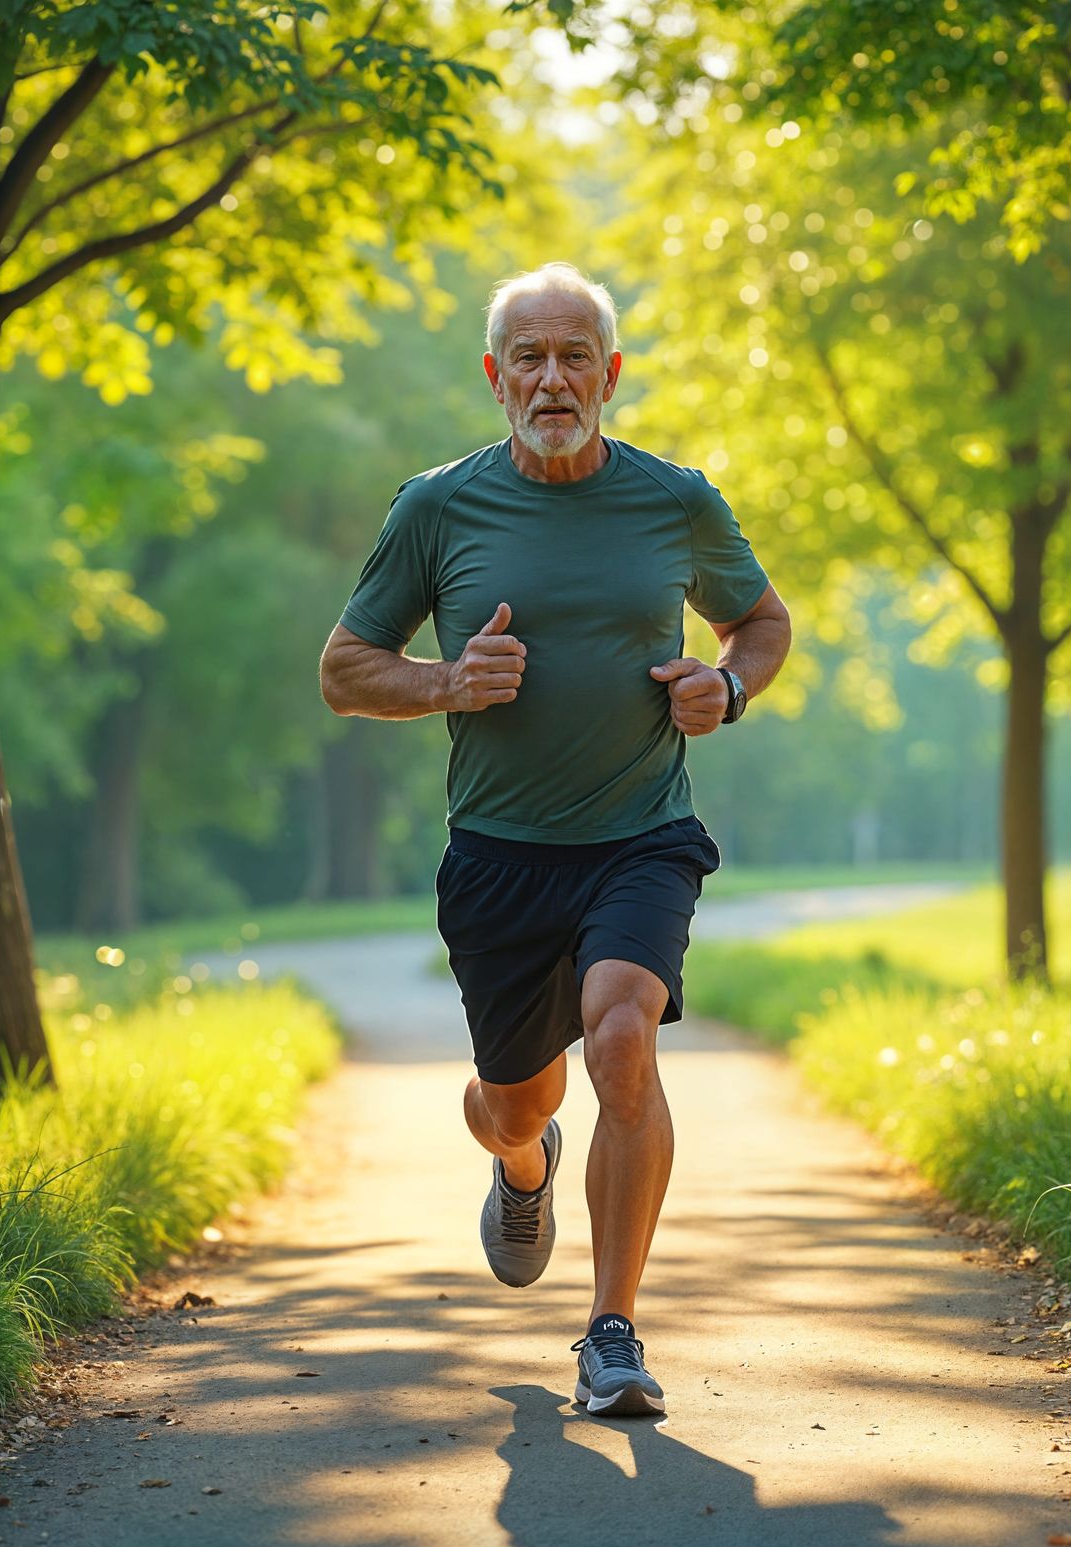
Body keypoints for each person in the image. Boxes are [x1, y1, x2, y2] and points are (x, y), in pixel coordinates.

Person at [319, 262, 791, 1416]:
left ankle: (611, 1334)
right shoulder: (437, 507)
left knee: (623, 1038)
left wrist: (727, 687)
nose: (551, 378)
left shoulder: (675, 499)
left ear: (609, 373)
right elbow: (343, 669)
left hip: (641, 835)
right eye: (527, 357)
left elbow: (760, 620)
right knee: (514, 1103)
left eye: (574, 355)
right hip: (499, 855)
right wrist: (445, 681)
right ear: (495, 376)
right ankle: (521, 1165)